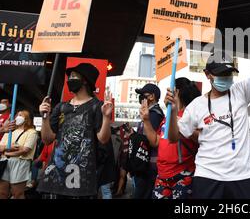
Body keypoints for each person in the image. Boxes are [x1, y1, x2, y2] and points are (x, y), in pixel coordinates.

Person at [167, 16, 250, 199]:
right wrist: (174, 113)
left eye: (228, 73)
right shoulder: (197, 106)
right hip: (208, 177)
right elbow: (174, 137)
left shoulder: (241, 90)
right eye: (221, 74)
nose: (226, 78)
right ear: (207, 75)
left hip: (242, 177)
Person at [37, 63, 113, 199]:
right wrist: (45, 117)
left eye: (73, 76)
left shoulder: (97, 107)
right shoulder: (61, 107)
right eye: (70, 76)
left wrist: (106, 117)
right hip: (56, 178)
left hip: (82, 180)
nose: (69, 80)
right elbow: (47, 139)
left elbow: (103, 139)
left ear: (85, 80)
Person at [140, 77, 201, 199]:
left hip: (183, 175)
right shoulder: (167, 117)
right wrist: (146, 120)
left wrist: (183, 125)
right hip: (162, 175)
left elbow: (203, 137)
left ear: (177, 92)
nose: (167, 94)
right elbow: (156, 141)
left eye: (170, 91)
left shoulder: (192, 115)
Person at [128, 83, 164, 199]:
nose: (141, 98)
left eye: (144, 95)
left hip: (147, 165)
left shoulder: (154, 114)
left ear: (152, 97)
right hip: (144, 163)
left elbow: (150, 139)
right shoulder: (149, 113)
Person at [0, 109, 38, 199]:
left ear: (27, 119)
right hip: (4, 162)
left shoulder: (32, 132)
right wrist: (9, 148)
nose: (17, 117)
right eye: (17, 115)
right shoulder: (9, 131)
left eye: (21, 115)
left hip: (20, 162)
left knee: (17, 193)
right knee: (2, 193)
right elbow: (0, 147)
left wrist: (6, 152)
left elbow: (25, 150)